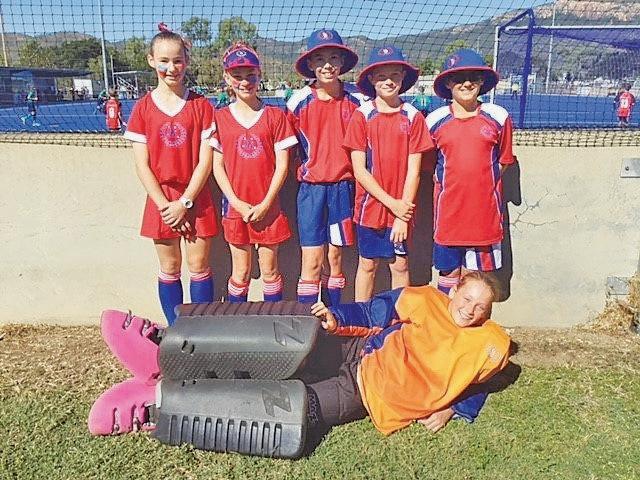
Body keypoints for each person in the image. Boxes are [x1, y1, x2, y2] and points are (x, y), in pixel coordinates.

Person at [88, 272, 511, 448]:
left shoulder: (490, 345)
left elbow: (486, 378)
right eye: (468, 298)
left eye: (481, 307)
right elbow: (374, 312)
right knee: (292, 331)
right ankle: (165, 346)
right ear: (455, 290)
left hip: (364, 393)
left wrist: (456, 407)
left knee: (296, 406)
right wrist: (335, 317)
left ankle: (160, 403)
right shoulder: (426, 300)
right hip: (357, 351)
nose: (471, 310)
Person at [123, 24, 218, 326]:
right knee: (170, 266)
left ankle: (200, 330)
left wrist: (186, 202)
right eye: (164, 61)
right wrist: (166, 205)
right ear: (151, 60)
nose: (171, 67)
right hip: (162, 201)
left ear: (186, 62)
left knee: (199, 265)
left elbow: (206, 161)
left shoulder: (201, 105)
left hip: (195, 198)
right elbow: (142, 165)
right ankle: (177, 332)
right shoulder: (142, 108)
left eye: (177, 60)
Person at [343, 46, 433, 301]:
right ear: (371, 79)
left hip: (401, 211)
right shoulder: (362, 116)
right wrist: (391, 203)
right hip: (369, 209)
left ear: (403, 78)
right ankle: (361, 321)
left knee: (400, 266)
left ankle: (397, 323)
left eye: (395, 74)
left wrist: (402, 214)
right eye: (382, 76)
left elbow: (414, 171)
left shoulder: (413, 117)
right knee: (368, 265)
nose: (389, 81)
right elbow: (359, 171)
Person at [211, 43, 298, 303]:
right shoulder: (220, 118)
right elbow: (217, 165)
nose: (245, 81)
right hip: (236, 208)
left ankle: (271, 325)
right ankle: (238, 325)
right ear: (227, 78)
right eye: (237, 76)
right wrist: (237, 202)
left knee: (270, 271)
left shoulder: (274, 115)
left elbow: (282, 165)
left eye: (250, 75)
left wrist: (266, 203)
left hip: (268, 207)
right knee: (241, 272)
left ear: (259, 75)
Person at [427, 49, 515, 294]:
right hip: (448, 216)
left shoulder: (498, 117)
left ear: (482, 81)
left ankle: (471, 329)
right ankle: (445, 326)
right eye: (458, 78)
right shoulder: (434, 121)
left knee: (475, 279)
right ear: (447, 83)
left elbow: (503, 161)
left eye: (473, 77)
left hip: (483, 217)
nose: (466, 83)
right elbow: (429, 165)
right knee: (448, 275)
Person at [286, 29, 363, 305]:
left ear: (342, 62)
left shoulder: (357, 101)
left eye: (333, 57)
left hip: (344, 190)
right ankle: (306, 326)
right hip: (311, 191)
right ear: (310, 65)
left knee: (335, 259)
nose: (327, 64)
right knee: (312, 260)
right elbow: (286, 149)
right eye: (319, 59)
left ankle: (335, 320)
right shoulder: (297, 102)